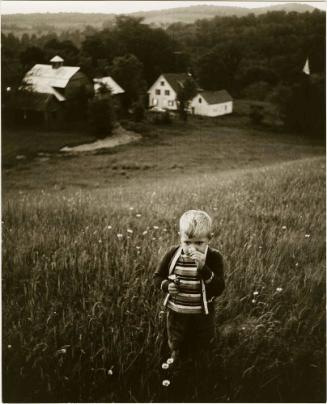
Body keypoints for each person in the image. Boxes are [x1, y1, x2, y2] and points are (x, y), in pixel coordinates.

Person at [154, 209, 225, 366]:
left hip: (203, 311)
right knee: (176, 335)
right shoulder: (172, 254)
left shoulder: (214, 257)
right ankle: (177, 354)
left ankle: (202, 358)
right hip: (177, 309)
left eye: (199, 243)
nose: (192, 248)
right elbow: (157, 277)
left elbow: (219, 288)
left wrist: (204, 269)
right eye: (187, 242)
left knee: (204, 336)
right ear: (180, 237)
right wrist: (166, 285)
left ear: (209, 238)